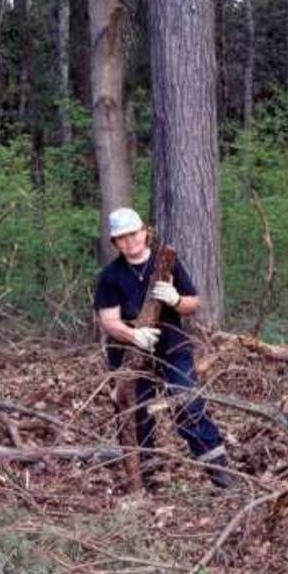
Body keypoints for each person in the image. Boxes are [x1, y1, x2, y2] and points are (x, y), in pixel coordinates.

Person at [94, 207, 234, 489]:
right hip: (130, 354)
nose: (129, 241)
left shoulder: (167, 263)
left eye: (133, 234)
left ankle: (222, 475)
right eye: (121, 238)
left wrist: (175, 299)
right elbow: (108, 320)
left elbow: (193, 304)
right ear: (114, 243)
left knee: (188, 402)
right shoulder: (111, 276)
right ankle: (145, 479)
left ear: (145, 232)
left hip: (172, 347)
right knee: (136, 414)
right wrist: (133, 335)